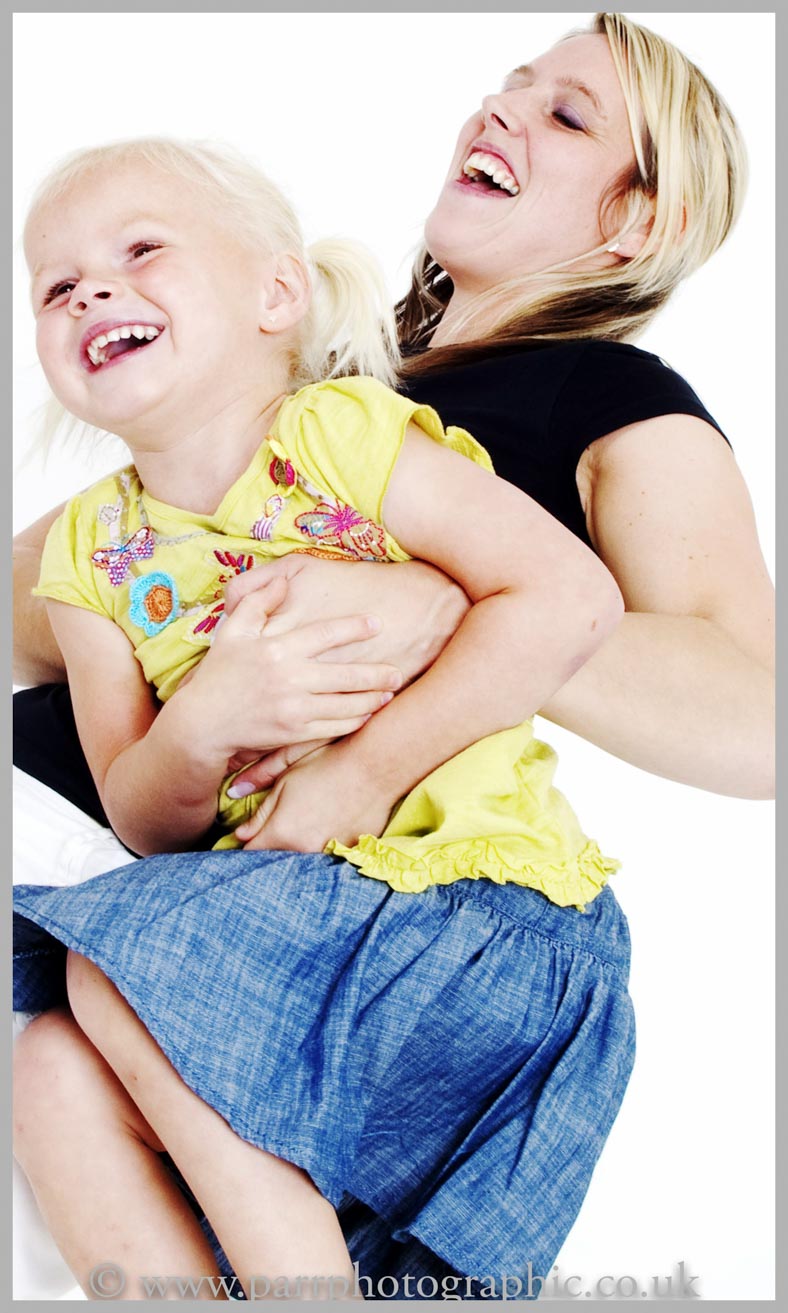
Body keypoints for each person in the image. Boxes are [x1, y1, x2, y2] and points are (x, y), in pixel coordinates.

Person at [12, 10, 774, 1303]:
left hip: (295, 915)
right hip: (146, 899)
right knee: (57, 1066)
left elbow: (759, 720)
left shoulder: (601, 395)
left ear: (636, 219)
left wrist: (451, 597)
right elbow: (45, 588)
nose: (502, 113)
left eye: (567, 116)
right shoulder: (311, 381)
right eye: (509, 86)